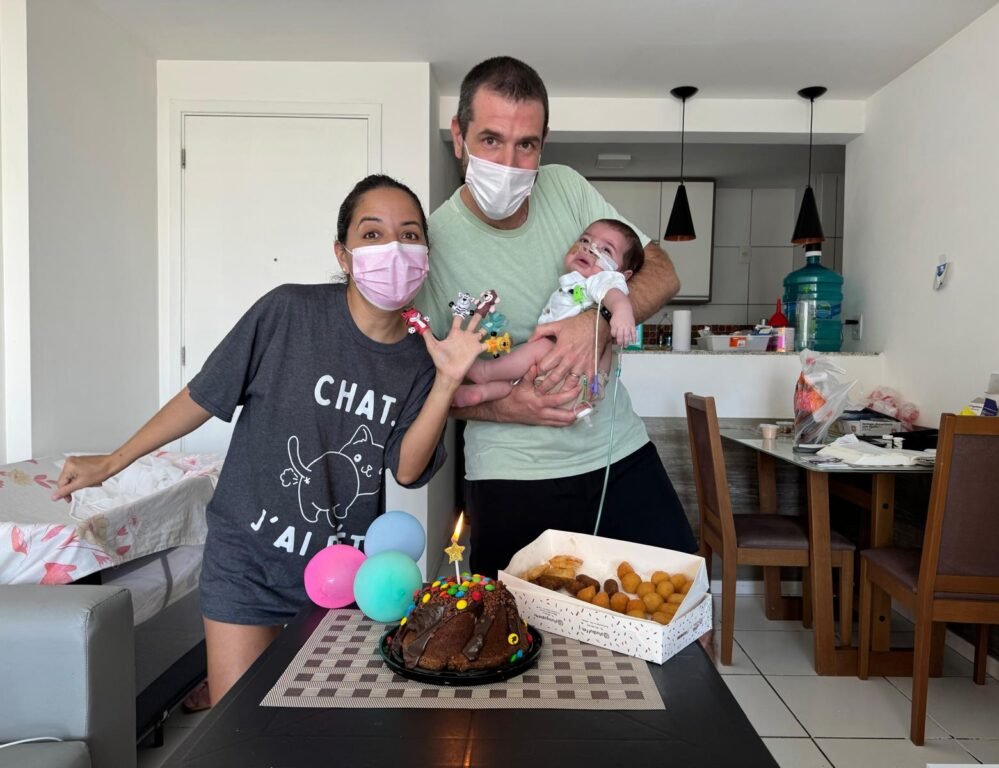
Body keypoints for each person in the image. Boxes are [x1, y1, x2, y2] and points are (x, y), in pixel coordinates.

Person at [52, 174, 488, 707]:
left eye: (409, 234)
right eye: (372, 234)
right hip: (248, 560)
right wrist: (112, 462)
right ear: (343, 253)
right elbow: (203, 395)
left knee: (317, 727)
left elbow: (407, 469)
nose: (393, 249)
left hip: (342, 572)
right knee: (239, 727)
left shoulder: (424, 358)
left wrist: (446, 382)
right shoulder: (288, 312)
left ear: (425, 256)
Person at [418, 56, 698, 577]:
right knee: (517, 625)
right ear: (458, 136)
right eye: (490, 140)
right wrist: (510, 407)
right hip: (510, 475)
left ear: (544, 143)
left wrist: (596, 323)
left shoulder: (566, 187)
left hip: (617, 453)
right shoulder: (433, 245)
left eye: (526, 145)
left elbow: (660, 270)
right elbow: (426, 391)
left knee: (682, 602)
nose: (508, 162)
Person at [453, 218, 643, 414]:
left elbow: (615, 295)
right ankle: (481, 393)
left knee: (538, 349)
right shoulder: (576, 283)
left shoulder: (602, 279)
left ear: (624, 274)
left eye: (606, 250)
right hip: (563, 380)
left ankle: (485, 372)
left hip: (581, 376)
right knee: (518, 381)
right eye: (585, 241)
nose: (589, 249)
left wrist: (622, 312)